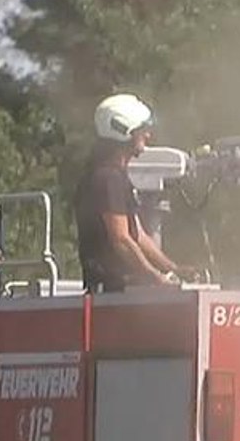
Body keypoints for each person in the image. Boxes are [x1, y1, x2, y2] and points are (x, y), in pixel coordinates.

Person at [74, 93, 188, 293]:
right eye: (142, 130)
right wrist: (156, 278)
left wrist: (172, 268)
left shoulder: (117, 177)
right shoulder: (107, 179)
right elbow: (121, 240)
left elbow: (138, 235)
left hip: (121, 290)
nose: (147, 136)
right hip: (112, 292)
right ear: (124, 131)